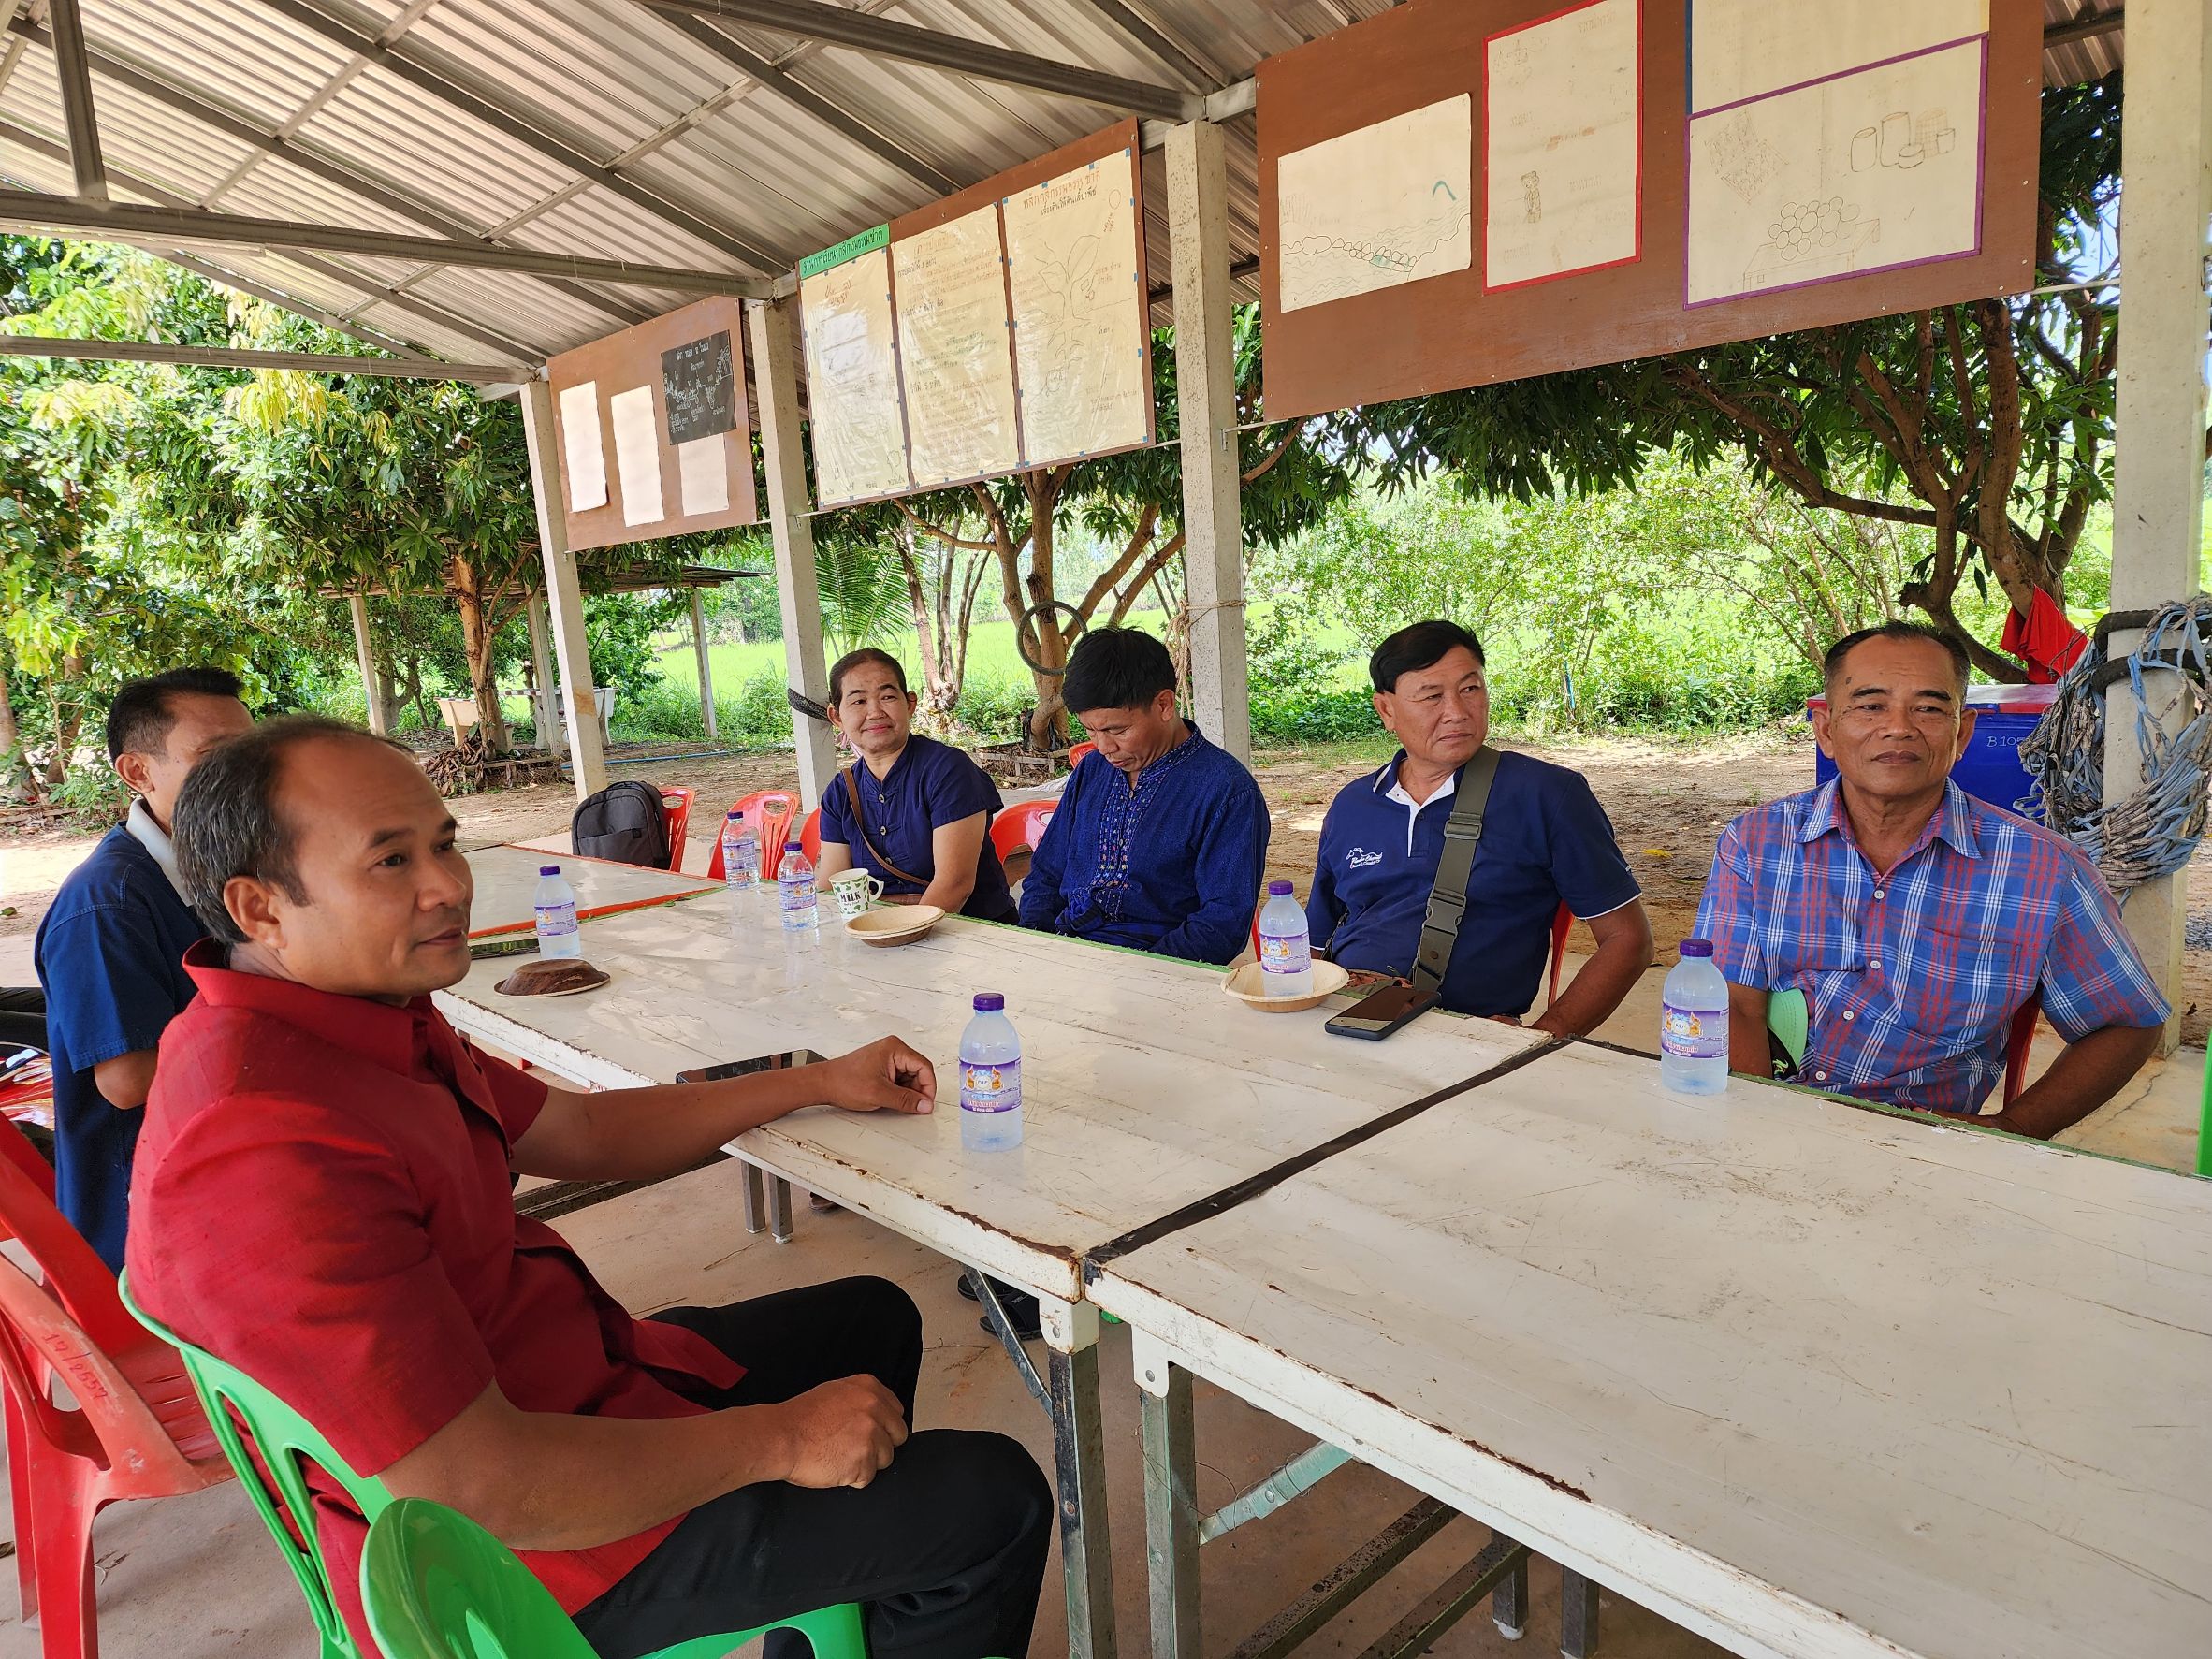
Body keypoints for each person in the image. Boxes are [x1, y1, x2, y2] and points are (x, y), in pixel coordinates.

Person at [131, 718, 1051, 1659]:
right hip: (526, 1548)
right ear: (260, 908)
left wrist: (816, 1079)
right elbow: (478, 1485)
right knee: (993, 1500)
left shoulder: (363, 1016)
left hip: (564, 1382)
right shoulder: (258, 1141)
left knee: (872, 1319)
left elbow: (583, 1130)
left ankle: (827, 1617)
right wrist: (780, 1441)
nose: (447, 885)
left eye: (444, 843)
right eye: (390, 862)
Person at [1695, 621, 2166, 1137]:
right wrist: (1759, 1119)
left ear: (1962, 734)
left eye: (1929, 708)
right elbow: (1732, 1000)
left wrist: (2014, 1127)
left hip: (1924, 1142)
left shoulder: (2044, 870)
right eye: (1870, 705)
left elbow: (2126, 1022)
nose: (1898, 727)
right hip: (1769, 1110)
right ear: (1826, 730)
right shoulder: (1755, 842)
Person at [1306, 622, 1652, 1032]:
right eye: (1432, 696)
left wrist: (1539, 1041)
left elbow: (1629, 941)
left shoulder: (1546, 796)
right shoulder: (1354, 803)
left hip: (1463, 1033)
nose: (1456, 712)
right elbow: (1314, 940)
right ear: (1387, 710)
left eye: (1470, 689)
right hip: (1342, 1014)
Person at [34, 666, 253, 1269]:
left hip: (230, 1165)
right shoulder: (107, 903)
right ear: (138, 770)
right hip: (155, 1224)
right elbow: (128, 1080)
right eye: (215, 756)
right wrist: (296, 1049)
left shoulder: (221, 866)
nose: (246, 776)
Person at [1019, 627, 1269, 965]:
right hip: (1067, 953)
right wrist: (1035, 941)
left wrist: (1139, 971)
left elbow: (1221, 924)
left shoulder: (1226, 790)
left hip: (1162, 968)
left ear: (1164, 704)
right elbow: (1046, 874)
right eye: (1090, 730)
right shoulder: (1092, 771)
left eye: (1117, 730)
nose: (1103, 747)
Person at [816, 648, 1015, 922]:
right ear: (836, 716)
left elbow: (954, 886)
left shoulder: (948, 771)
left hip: (969, 934)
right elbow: (831, 886)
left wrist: (893, 936)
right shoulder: (840, 792)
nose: (874, 712)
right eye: (859, 701)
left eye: (887, 697)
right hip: (878, 936)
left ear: (910, 704)